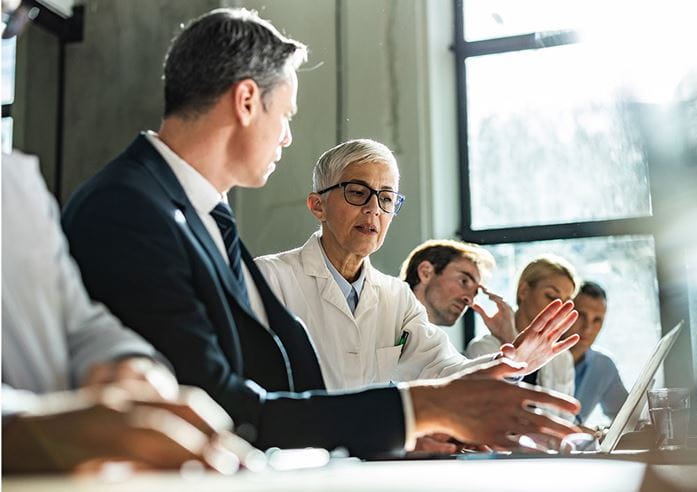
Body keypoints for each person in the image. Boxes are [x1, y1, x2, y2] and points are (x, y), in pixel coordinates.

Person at [61, 8, 581, 457]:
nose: (287, 135)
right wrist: (411, 414)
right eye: (284, 113)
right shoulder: (130, 210)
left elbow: (284, 391)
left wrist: (412, 424)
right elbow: (218, 404)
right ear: (246, 101)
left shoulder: (196, 214)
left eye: (386, 199)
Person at [255, 141, 579, 391]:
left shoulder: (395, 297)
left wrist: (511, 362)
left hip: (370, 465)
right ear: (318, 205)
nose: (373, 210)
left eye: (386, 198)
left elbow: (441, 370)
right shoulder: (268, 279)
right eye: (357, 193)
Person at [1, 150, 249, 473]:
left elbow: (78, 324)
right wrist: (25, 429)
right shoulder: (121, 200)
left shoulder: (15, 184)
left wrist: (126, 365)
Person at [465, 255, 579, 401]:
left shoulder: (562, 357)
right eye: (551, 296)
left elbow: (567, 417)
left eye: (566, 303)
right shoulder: (483, 350)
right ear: (524, 290)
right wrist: (511, 341)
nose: (559, 309)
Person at [565, 281, 628, 424]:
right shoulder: (539, 360)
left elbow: (628, 419)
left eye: (597, 320)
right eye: (581, 315)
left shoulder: (603, 366)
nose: (588, 328)